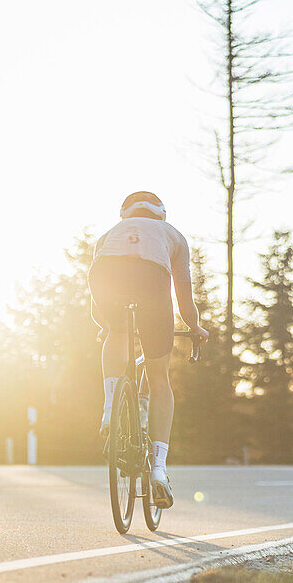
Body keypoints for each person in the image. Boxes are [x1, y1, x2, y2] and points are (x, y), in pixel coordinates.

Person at [88, 191, 208, 508]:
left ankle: (110, 409)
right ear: (161, 213)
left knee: (116, 331)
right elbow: (184, 294)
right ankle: (158, 470)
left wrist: (107, 323)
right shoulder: (173, 236)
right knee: (158, 379)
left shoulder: (107, 235)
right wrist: (194, 326)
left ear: (125, 214)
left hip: (106, 272)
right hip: (152, 279)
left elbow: (95, 302)